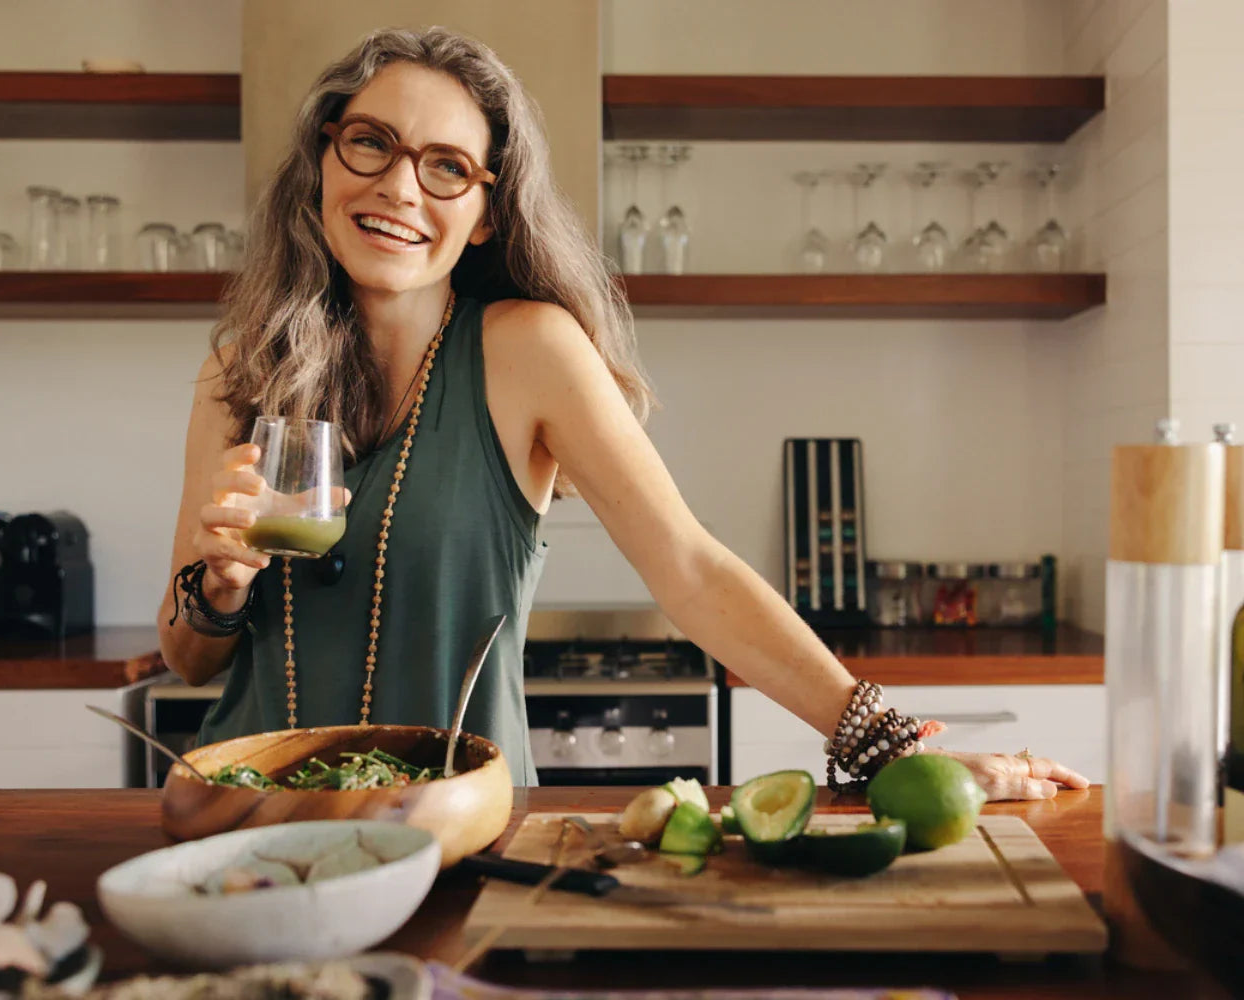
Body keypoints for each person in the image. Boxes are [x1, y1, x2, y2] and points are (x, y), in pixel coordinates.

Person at [157, 25, 1088, 801]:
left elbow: (691, 570)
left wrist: (886, 743)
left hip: (456, 826)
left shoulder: (528, 351)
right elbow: (189, 656)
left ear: (486, 213)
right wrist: (218, 586)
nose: (400, 187)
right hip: (242, 818)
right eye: (371, 142)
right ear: (324, 158)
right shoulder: (240, 370)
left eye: (447, 166)